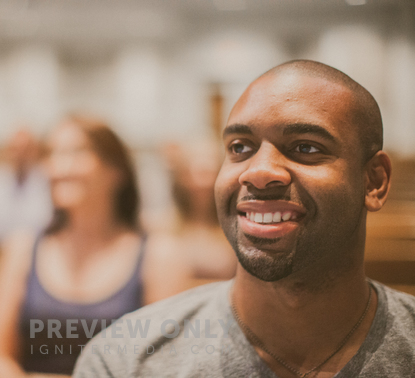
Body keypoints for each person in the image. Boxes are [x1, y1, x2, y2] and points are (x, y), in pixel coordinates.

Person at [72, 60, 415, 377]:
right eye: (240, 147)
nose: (259, 172)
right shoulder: (123, 362)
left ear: (374, 181)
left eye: (306, 147)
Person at [0, 115, 190, 377]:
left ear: (117, 171)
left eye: (77, 153)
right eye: (52, 154)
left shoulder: (159, 254)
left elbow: (166, 367)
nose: (58, 167)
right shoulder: (21, 247)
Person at [162, 140, 237, 279]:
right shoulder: (163, 227)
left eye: (208, 172)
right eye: (192, 172)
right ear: (181, 177)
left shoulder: (235, 228)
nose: (201, 182)